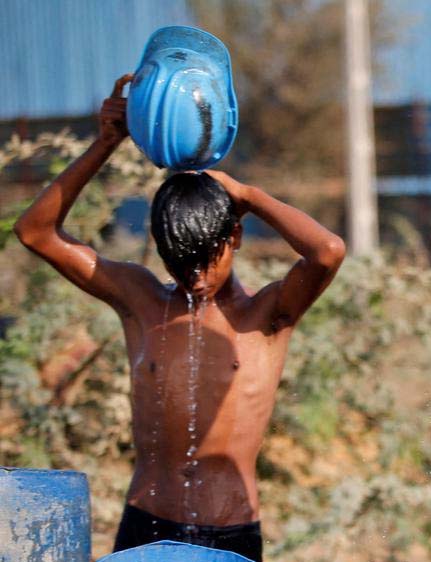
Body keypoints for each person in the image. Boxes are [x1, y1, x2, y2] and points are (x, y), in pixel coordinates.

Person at [14, 75, 346, 561]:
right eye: (179, 263)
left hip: (230, 532)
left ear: (235, 237)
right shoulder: (140, 300)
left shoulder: (269, 315)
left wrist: (248, 195)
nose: (194, 277)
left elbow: (328, 251)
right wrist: (106, 143)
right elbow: (35, 232)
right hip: (146, 523)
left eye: (206, 260)